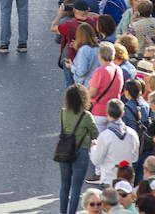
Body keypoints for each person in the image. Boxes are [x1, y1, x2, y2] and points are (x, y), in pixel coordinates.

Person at [57, 83, 98, 214]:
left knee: (64, 185)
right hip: (80, 152)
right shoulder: (86, 116)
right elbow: (95, 134)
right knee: (76, 187)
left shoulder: (63, 113)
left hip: (64, 151)